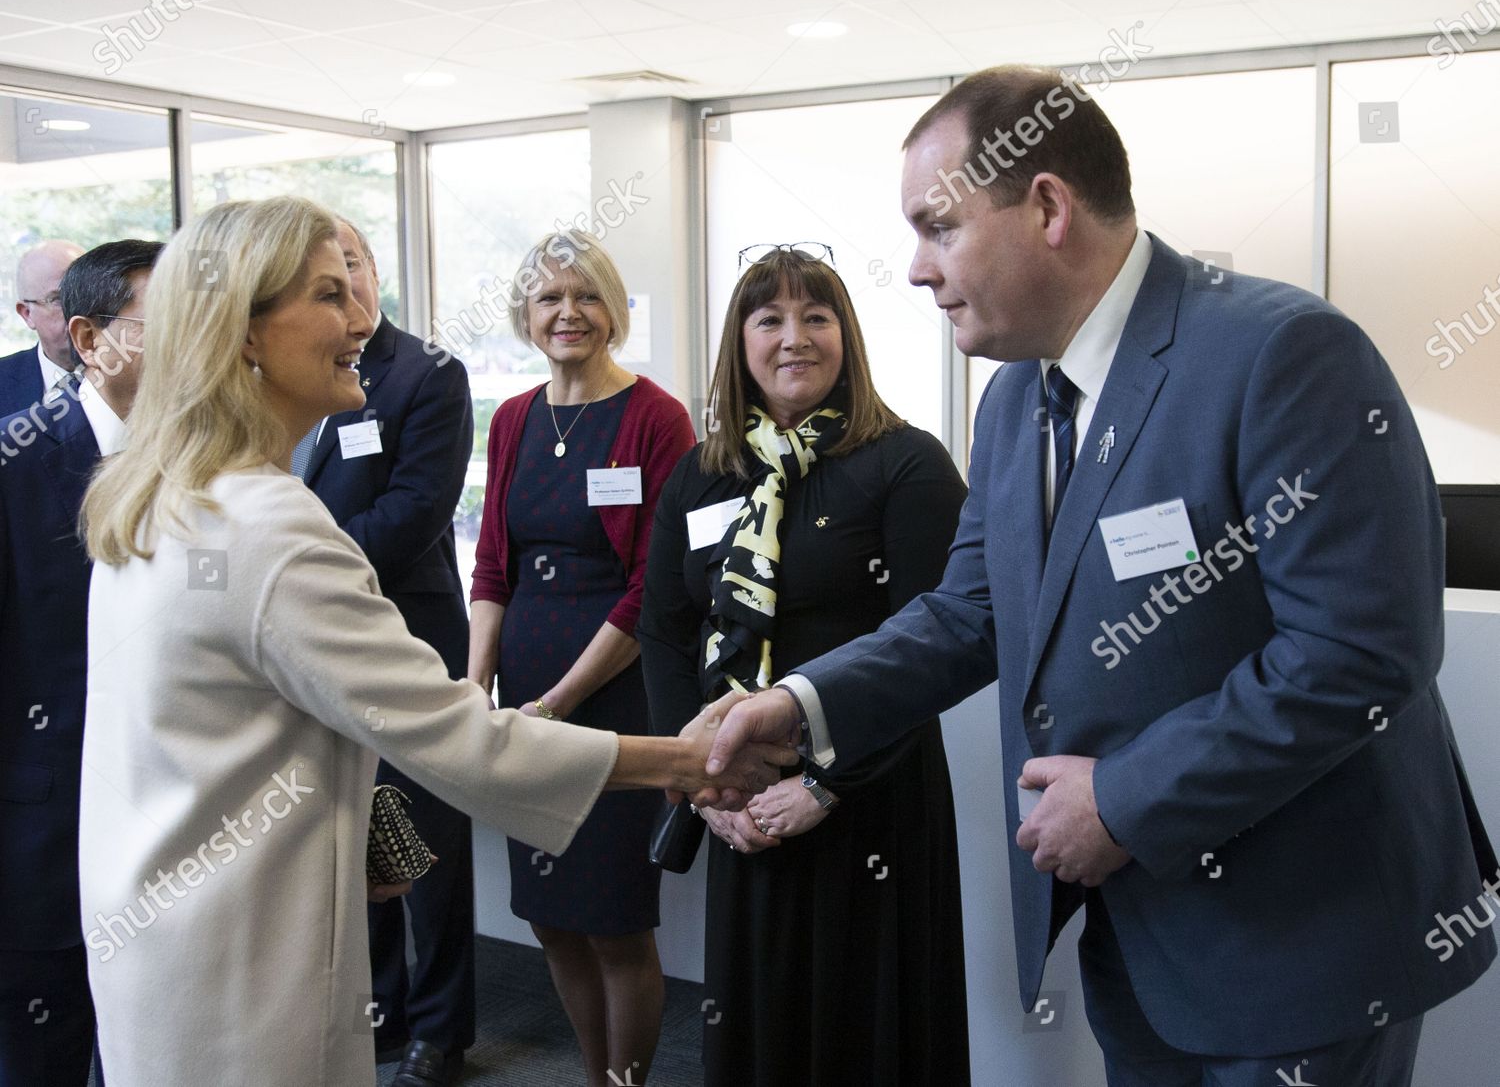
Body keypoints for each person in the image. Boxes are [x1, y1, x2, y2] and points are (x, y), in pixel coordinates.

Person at [704, 65, 1498, 1086]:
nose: (913, 269)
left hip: (1302, 936)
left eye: (937, 226)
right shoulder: (1011, 403)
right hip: (1138, 932)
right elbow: (972, 612)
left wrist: (1123, 797)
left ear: (1045, 208)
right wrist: (801, 703)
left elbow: (1359, 651)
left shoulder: (1283, 353)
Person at [74, 197, 793, 1087]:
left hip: (166, 932)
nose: (361, 319)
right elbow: (456, 734)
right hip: (244, 964)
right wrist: (687, 763)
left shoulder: (159, 496)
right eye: (330, 296)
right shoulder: (269, 528)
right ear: (246, 333)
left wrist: (376, 826)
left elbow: (272, 715)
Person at [638, 246, 970, 1086]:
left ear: (846, 336)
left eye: (816, 317)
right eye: (770, 319)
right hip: (739, 798)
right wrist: (701, 779)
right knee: (763, 1025)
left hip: (869, 799)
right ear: (739, 342)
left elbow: (937, 642)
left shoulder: (908, 463)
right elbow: (667, 630)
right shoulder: (704, 472)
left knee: (870, 1029)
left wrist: (824, 785)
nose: (795, 337)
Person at [467, 228, 695, 1087]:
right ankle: (592, 1074)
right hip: (525, 696)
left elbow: (652, 591)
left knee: (612, 920)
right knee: (550, 917)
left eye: (586, 295)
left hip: (609, 699)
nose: (569, 313)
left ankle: (622, 1082)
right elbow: (493, 564)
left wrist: (559, 700)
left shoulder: (654, 417)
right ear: (526, 316)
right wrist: (475, 683)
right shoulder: (515, 419)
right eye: (549, 298)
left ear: (614, 311)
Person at [289, 215, 478, 1087]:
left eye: (352, 268)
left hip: (406, 636)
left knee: (422, 843)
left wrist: (293, 566)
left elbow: (414, 512)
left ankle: (441, 1030)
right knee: (350, 832)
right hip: (311, 647)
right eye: (322, 277)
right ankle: (382, 1010)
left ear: (375, 269)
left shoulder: (427, 375)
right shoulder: (285, 373)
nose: (344, 288)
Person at [0, 237, 162, 1087]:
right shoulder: (13, 464)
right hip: (40, 839)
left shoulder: (205, 467)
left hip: (174, 840)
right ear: (89, 338)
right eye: (160, 323)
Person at [1, 240, 86, 415]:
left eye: (85, 293)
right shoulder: (4, 381)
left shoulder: (131, 374)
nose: (78, 309)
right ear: (27, 313)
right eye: (57, 299)